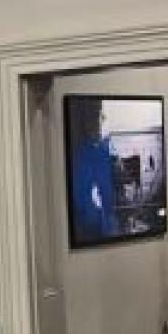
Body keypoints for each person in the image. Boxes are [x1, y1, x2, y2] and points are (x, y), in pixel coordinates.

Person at [68, 100, 119, 244]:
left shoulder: (100, 150)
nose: (100, 122)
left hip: (98, 222)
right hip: (91, 225)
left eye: (100, 117)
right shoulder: (85, 154)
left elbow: (105, 190)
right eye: (97, 117)